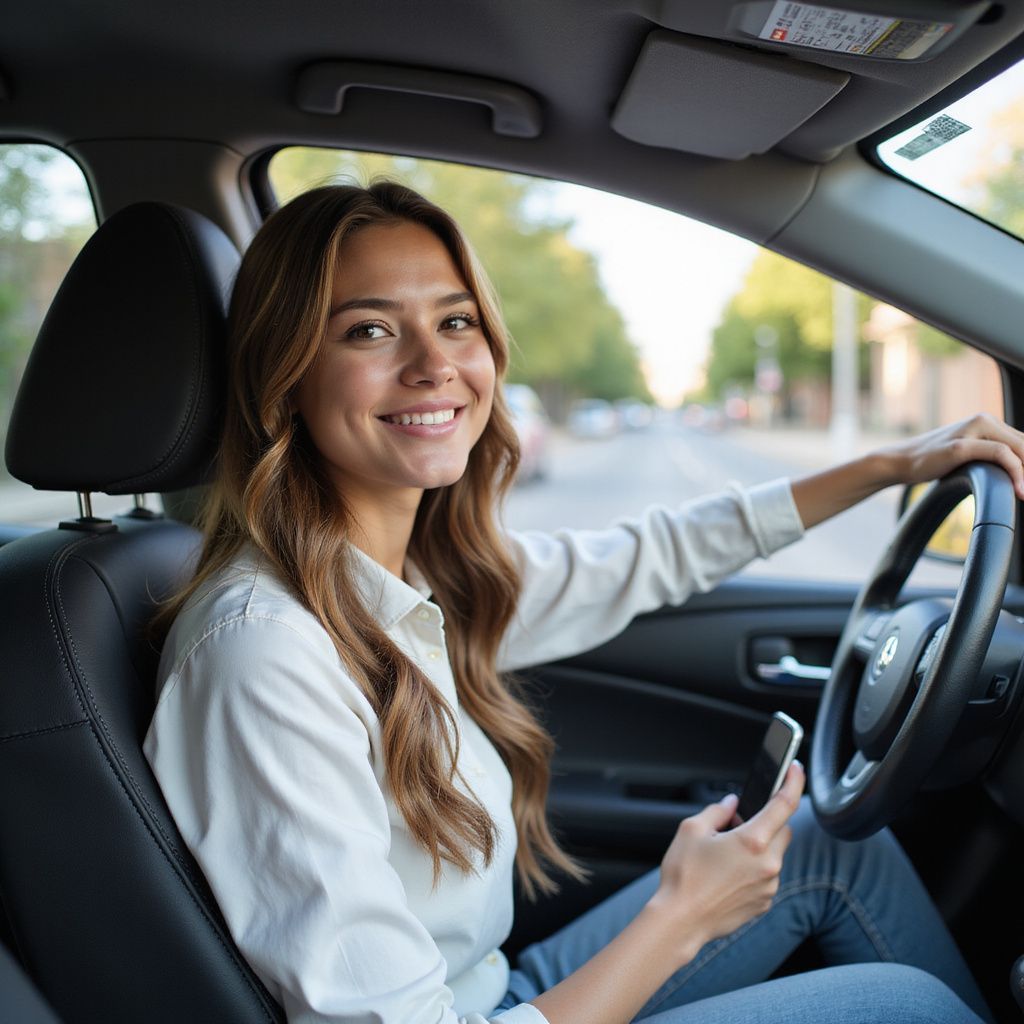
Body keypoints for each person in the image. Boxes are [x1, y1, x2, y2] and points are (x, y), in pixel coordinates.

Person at [144, 182, 1021, 1024]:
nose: (435, 365)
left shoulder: (407, 584)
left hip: (501, 990)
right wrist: (682, 915)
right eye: (370, 331)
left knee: (831, 845)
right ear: (282, 374)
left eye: (456, 322)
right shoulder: (264, 652)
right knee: (909, 1010)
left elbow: (651, 557)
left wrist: (888, 466)